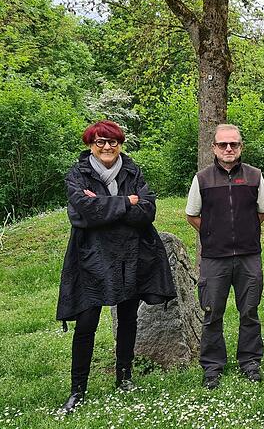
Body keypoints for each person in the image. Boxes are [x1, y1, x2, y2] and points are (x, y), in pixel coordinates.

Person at [57, 120, 176, 413]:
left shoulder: (132, 171)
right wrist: (126, 203)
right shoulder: (77, 174)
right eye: (100, 142)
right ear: (90, 145)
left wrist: (105, 205)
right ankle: (77, 390)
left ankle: (124, 377)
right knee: (86, 323)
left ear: (120, 144)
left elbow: (147, 211)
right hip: (91, 258)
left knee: (128, 318)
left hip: (130, 255)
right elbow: (83, 213)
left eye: (113, 142)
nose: (107, 147)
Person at [185, 124, 264, 389]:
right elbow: (192, 215)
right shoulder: (202, 178)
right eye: (223, 144)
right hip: (214, 259)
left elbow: (262, 212)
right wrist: (212, 234)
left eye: (233, 144)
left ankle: (250, 361)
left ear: (240, 147)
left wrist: (244, 232)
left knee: (250, 312)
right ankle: (212, 367)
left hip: (248, 257)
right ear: (214, 148)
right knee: (211, 313)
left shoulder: (255, 176)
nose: (229, 149)